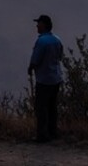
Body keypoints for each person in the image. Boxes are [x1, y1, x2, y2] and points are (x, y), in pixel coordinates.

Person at [28, 13, 64, 143]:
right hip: (56, 78)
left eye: (39, 23)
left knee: (41, 107)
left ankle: (42, 135)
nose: (37, 26)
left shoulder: (41, 41)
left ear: (43, 25)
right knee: (52, 106)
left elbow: (35, 60)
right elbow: (60, 57)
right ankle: (52, 132)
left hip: (44, 80)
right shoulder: (57, 40)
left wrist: (30, 68)